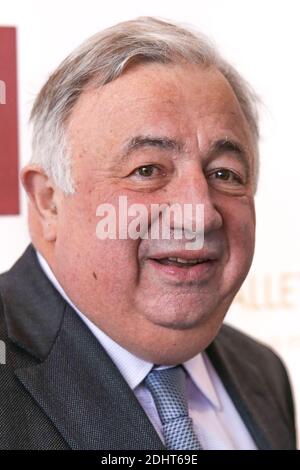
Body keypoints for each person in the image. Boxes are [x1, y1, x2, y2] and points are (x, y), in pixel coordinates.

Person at [0, 17, 296, 450]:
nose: (199, 214)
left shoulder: (262, 370)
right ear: (49, 202)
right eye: (147, 170)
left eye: (224, 173)